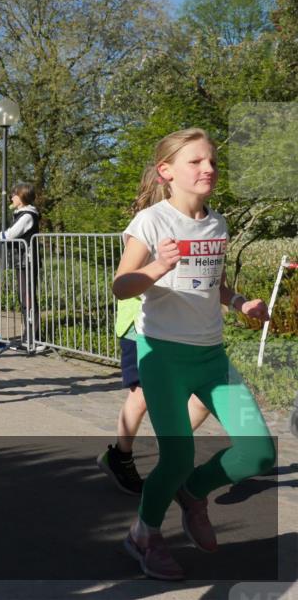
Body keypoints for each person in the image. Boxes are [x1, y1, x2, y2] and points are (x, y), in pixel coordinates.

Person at [113, 127, 275, 581]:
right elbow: (122, 285)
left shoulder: (216, 223)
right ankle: (143, 535)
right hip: (162, 356)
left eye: (213, 162)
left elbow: (212, 285)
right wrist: (157, 266)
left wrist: (239, 302)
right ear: (167, 172)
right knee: (177, 454)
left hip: (211, 356)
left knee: (259, 452)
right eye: (196, 162)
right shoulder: (151, 222)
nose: (208, 169)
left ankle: (193, 492)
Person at [98, 294, 210, 494]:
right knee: (140, 396)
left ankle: (171, 446)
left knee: (201, 392)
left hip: (178, 328)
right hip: (140, 327)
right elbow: (125, 281)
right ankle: (120, 457)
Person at [0, 183, 41, 353]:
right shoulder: (21, 214)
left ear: (22, 196)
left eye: (14, 194)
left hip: (27, 261)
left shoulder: (27, 215)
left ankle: (34, 338)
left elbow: (9, 235)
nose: (12, 197)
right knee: (24, 298)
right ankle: (28, 337)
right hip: (22, 261)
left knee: (28, 299)